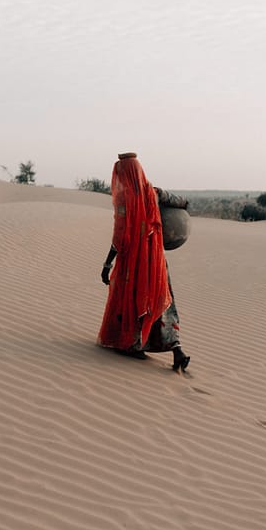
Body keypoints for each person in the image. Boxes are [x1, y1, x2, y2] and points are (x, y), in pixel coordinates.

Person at [98, 152, 191, 373]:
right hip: (156, 261)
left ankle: (133, 344)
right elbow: (181, 201)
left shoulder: (124, 201)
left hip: (133, 263)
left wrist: (107, 264)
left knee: (134, 300)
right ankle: (177, 349)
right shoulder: (155, 193)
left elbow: (119, 237)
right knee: (160, 298)